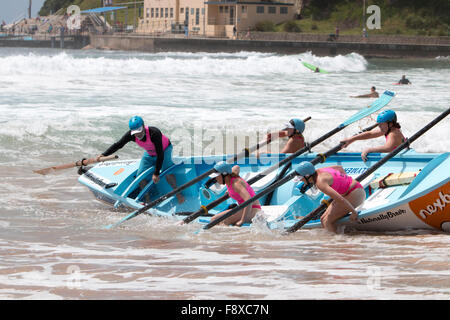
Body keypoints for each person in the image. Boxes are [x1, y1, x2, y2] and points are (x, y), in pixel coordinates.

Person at [97, 116, 184, 203]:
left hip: (164, 150)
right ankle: (147, 200)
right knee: (140, 177)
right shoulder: (131, 135)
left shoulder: (154, 132)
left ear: (143, 126)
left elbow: (160, 154)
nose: (138, 134)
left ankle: (178, 194)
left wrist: (156, 173)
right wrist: (104, 154)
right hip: (150, 153)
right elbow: (118, 145)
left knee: (167, 173)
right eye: (135, 132)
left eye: (139, 130)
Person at [295, 161, 365, 233]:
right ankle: (337, 236)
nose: (300, 180)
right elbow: (339, 168)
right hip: (354, 189)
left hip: (356, 193)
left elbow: (340, 199)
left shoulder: (320, 182)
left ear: (307, 175)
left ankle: (337, 243)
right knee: (322, 219)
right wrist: (345, 184)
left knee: (327, 221)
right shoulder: (319, 170)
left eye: (300, 177)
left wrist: (353, 212)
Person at [209, 162, 262, 227]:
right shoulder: (230, 175)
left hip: (253, 210)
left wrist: (242, 220)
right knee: (213, 219)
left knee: (222, 222)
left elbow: (249, 200)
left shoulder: (236, 184)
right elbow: (237, 167)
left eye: (217, 176)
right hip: (243, 208)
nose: (215, 179)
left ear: (224, 174)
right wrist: (230, 190)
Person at [340, 110, 406, 161]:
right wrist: (352, 139)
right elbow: (370, 134)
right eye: (378, 124)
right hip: (398, 157)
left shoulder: (393, 134)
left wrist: (369, 150)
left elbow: (387, 148)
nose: (379, 126)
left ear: (390, 124)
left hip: (402, 159)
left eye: (381, 124)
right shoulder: (389, 129)